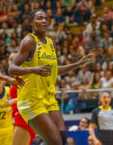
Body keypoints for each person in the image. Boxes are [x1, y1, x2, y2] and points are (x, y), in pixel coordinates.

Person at [9, 10, 94, 145]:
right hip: (31, 100)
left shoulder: (50, 43)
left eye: (45, 18)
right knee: (55, 142)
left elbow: (54, 70)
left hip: (48, 98)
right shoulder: (29, 41)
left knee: (63, 138)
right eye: (39, 18)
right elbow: (12, 68)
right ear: (31, 23)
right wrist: (34, 70)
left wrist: (78, 64)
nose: (43, 21)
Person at [3, 53, 36, 145]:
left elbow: (35, 96)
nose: (12, 61)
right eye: (10, 59)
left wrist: (15, 100)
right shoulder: (16, 77)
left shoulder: (25, 77)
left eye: (14, 59)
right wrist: (12, 107)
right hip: (20, 117)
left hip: (24, 119)